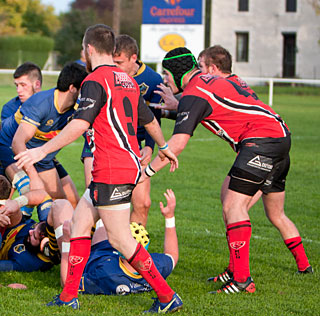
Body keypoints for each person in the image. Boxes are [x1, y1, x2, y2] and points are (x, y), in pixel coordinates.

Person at [15, 24, 182, 313]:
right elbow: (149, 120)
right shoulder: (127, 80)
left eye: (84, 50)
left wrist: (41, 150)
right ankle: (69, 296)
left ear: (89, 49)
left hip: (112, 169)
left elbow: (80, 124)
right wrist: (164, 147)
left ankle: (167, 297)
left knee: (120, 239)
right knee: (79, 225)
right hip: (120, 166)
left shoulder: (94, 80)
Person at [141, 47, 312, 294]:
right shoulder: (211, 82)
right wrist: (176, 106)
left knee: (234, 206)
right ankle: (243, 269)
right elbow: (207, 106)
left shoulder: (194, 91)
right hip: (277, 137)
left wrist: (144, 174)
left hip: (262, 142)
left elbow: (177, 143)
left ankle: (243, 280)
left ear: (178, 72)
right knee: (236, 200)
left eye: (167, 74)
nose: (165, 79)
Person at [82, 34, 165, 226]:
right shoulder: (102, 76)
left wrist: (151, 147)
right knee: (96, 201)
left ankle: (133, 250)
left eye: (119, 62)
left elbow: (154, 118)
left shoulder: (152, 80)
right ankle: (104, 252)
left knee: (143, 203)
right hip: (103, 143)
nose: (115, 66)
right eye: (113, 61)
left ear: (133, 58)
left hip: (134, 145)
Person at [0, 62, 87, 221]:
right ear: (73, 88)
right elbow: (18, 143)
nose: (87, 93)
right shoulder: (42, 104)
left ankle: (61, 242)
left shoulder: (78, 107)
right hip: (10, 149)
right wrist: (34, 177)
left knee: (63, 203)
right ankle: (22, 236)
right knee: (29, 193)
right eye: (83, 88)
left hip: (40, 156)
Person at [78, 189, 178, 296]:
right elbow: (172, 255)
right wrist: (169, 217)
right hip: (111, 255)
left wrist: (65, 243)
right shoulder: (158, 266)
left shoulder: (105, 273)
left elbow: (68, 282)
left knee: (66, 207)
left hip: (99, 252)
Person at [0, 198, 73, 285]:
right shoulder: (47, 226)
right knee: (9, 206)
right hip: (14, 226)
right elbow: (43, 196)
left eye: (34, 236)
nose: (30, 231)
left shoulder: (28, 261)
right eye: (34, 227)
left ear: (44, 248)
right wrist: (17, 203)